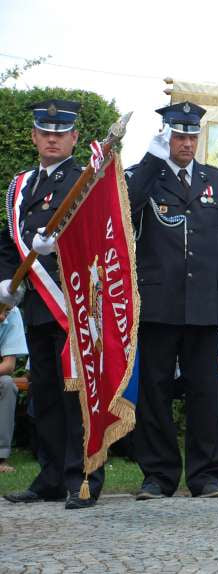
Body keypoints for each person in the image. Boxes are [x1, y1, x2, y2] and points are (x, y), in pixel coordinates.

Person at [125, 101, 218, 500]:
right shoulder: (146, 177)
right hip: (158, 304)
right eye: (178, 135)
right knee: (155, 391)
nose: (186, 143)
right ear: (166, 135)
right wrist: (150, 159)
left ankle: (206, 476)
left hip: (205, 305)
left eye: (192, 136)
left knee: (205, 390)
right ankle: (158, 475)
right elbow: (126, 209)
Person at [0, 99, 105, 509]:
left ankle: (83, 477)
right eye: (45, 132)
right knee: (44, 392)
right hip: (38, 308)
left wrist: (60, 245)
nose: (52, 139)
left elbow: (99, 234)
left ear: (74, 138)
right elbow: (8, 241)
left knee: (74, 392)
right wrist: (7, 280)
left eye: (60, 133)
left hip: (74, 302)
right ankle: (49, 476)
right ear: (34, 137)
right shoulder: (22, 184)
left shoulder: (85, 180)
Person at [0, 306, 28, 473]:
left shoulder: (14, 312)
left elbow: (9, 365)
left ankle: (1, 457)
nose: (3, 317)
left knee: (7, 384)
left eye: (6, 310)